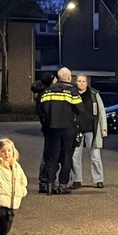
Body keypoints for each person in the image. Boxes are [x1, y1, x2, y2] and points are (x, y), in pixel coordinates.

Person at [38, 67, 81, 195]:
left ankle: (50, 184)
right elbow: (80, 110)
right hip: (68, 129)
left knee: (52, 157)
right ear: (69, 78)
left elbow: (42, 110)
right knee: (67, 157)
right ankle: (63, 185)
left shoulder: (47, 92)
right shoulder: (72, 92)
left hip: (51, 129)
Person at [70, 74, 107, 189]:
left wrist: (104, 128)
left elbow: (101, 112)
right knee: (75, 156)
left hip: (92, 130)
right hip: (76, 130)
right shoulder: (72, 94)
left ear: (87, 83)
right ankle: (76, 180)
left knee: (95, 156)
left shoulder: (94, 95)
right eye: (79, 81)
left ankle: (98, 180)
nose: (80, 83)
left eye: (83, 81)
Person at [31, 73, 54, 193]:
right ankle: (44, 181)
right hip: (49, 128)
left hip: (46, 127)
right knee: (48, 155)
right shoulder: (45, 94)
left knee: (47, 154)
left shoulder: (40, 93)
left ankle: (44, 181)